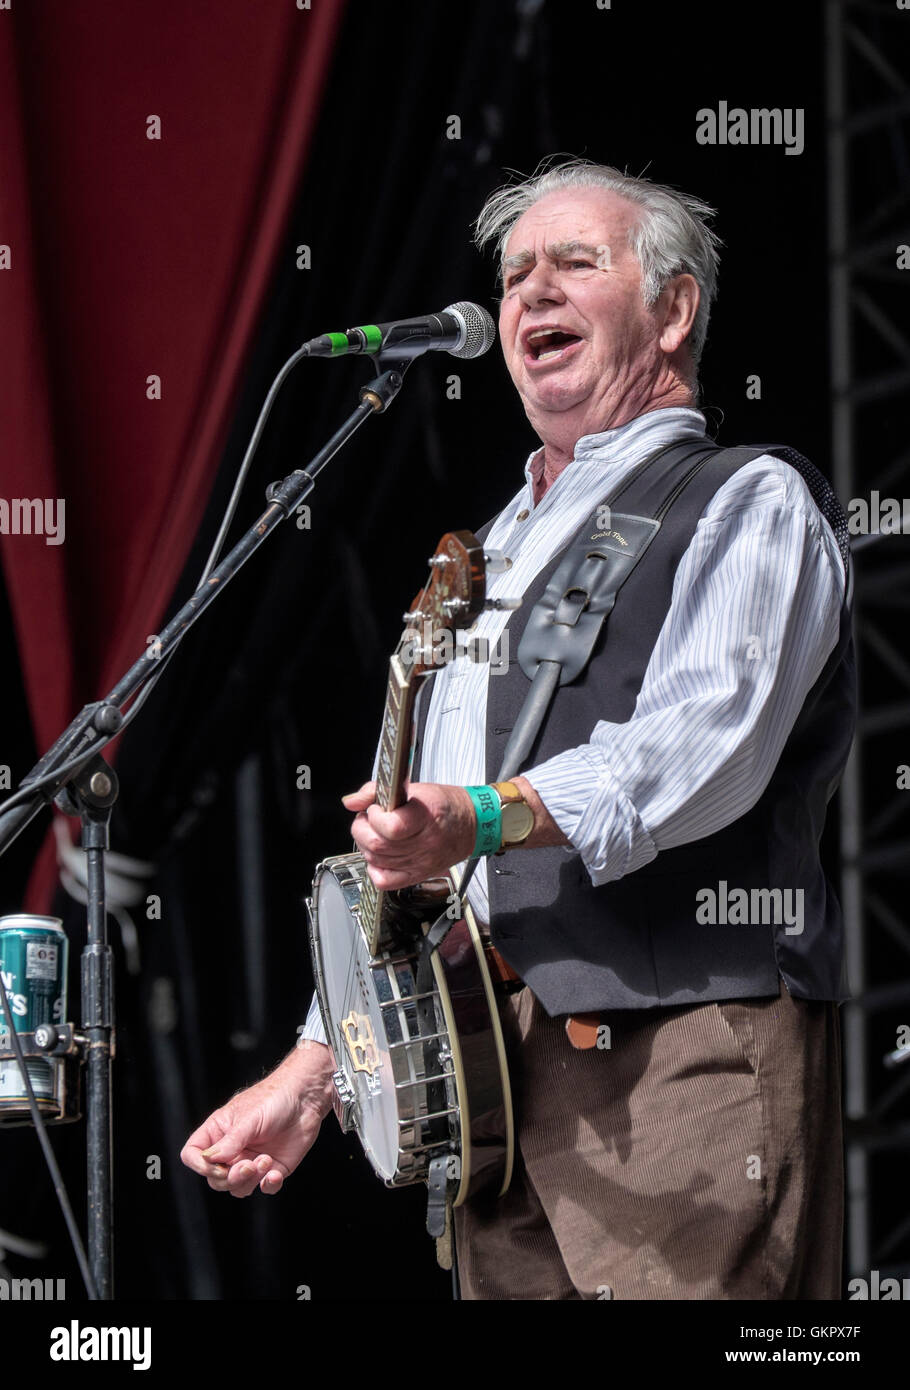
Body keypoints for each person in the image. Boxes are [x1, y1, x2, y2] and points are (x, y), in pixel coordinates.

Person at [181, 158, 854, 1300]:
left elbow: (705, 745)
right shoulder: (483, 551)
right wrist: (316, 1068)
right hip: (485, 1081)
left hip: (677, 1055)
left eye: (573, 264)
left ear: (674, 308)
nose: (529, 295)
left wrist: (488, 814)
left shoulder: (743, 498)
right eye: (512, 277)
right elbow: (418, 855)